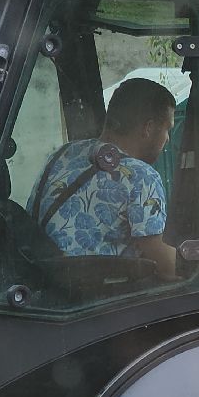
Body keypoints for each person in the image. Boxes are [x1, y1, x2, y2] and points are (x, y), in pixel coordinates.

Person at [29, 77, 178, 278]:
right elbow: (165, 265)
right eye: (168, 129)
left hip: (41, 281)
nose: (168, 138)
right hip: (93, 297)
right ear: (148, 128)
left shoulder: (63, 154)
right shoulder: (142, 177)